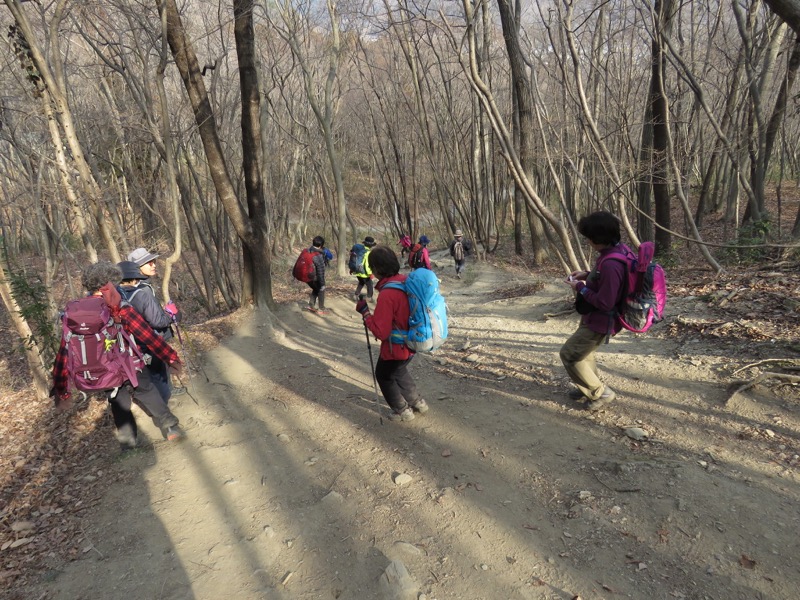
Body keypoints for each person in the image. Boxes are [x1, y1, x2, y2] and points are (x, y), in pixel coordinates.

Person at [51, 261, 185, 450]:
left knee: (117, 401)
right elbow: (146, 335)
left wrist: (60, 386)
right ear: (111, 282)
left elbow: (65, 350)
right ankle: (171, 428)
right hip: (130, 364)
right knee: (146, 391)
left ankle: (128, 444)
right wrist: (170, 357)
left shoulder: (74, 312)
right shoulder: (118, 307)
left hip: (101, 369)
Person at [561, 211, 626, 411]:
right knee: (585, 353)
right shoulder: (617, 251)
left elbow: (605, 301)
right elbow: (608, 282)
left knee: (570, 354)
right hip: (595, 317)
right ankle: (586, 387)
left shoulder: (611, 264)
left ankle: (600, 392)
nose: (587, 241)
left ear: (597, 238)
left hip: (601, 319)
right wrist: (587, 275)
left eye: (588, 237)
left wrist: (580, 287)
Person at [355, 245, 429, 422]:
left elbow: (381, 331)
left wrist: (365, 313)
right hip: (413, 341)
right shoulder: (405, 281)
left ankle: (402, 410)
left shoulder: (388, 293)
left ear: (377, 270)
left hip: (395, 347)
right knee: (400, 371)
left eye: (372, 268)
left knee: (384, 375)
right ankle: (418, 403)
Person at [118, 260, 181, 403]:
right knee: (159, 374)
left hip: (128, 348)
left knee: (146, 378)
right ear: (134, 278)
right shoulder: (141, 294)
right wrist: (172, 316)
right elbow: (157, 321)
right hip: (149, 341)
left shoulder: (115, 298)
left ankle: (156, 403)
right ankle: (164, 403)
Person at [307, 235, 328, 315]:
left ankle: (311, 305)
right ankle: (321, 309)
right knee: (321, 289)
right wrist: (322, 284)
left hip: (306, 276)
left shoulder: (308, 251)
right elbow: (320, 271)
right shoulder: (318, 255)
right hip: (314, 277)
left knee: (316, 288)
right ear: (321, 245)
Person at [354, 236, 377, 302]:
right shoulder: (368, 253)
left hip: (358, 272)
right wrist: (370, 273)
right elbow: (367, 265)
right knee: (370, 285)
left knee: (361, 283)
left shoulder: (360, 251)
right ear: (371, 245)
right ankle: (369, 297)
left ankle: (356, 295)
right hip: (365, 273)